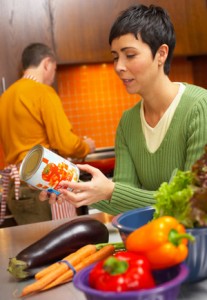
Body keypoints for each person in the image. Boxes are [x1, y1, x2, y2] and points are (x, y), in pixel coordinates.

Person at [39, 4, 207, 215]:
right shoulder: (128, 122)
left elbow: (194, 202)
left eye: (130, 55)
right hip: (152, 241)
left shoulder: (200, 108)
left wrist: (110, 191)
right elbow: (124, 198)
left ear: (161, 54)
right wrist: (74, 189)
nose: (119, 66)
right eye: (115, 57)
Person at [0, 43, 95, 225]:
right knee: (61, 245)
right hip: (41, 184)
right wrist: (86, 147)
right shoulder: (43, 92)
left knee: (35, 248)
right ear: (46, 64)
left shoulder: (6, 96)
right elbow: (66, 143)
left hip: (15, 186)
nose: (53, 75)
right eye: (54, 68)